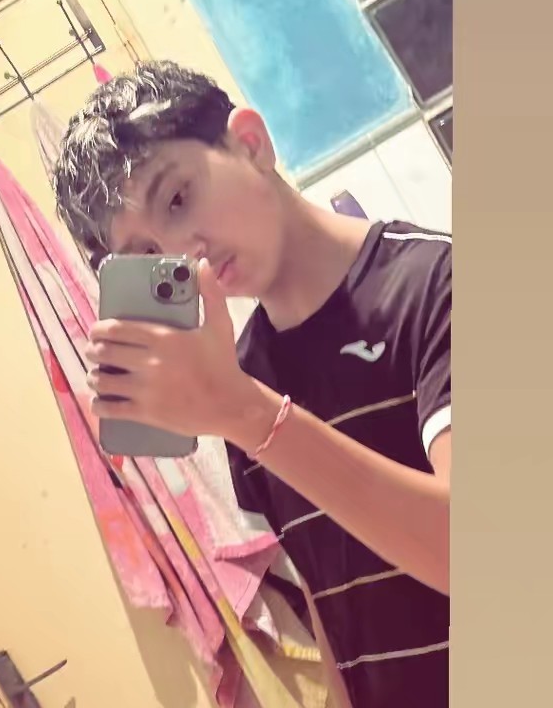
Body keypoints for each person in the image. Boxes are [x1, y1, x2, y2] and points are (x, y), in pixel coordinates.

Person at [54, 60, 450, 708]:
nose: (181, 253)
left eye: (177, 199)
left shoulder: (443, 284)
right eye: (146, 254)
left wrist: (247, 414)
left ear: (250, 143)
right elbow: (331, 601)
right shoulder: (245, 375)